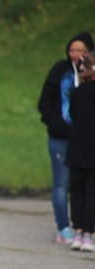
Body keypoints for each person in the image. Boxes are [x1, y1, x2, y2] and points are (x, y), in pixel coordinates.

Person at [38, 32, 94, 244]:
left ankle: (86, 229)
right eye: (72, 50)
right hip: (61, 137)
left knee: (86, 185)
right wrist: (57, 125)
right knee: (63, 183)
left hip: (87, 140)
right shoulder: (60, 72)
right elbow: (45, 103)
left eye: (80, 50)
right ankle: (66, 227)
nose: (75, 54)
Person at [66, 51, 95, 252]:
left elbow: (72, 114)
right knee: (91, 192)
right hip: (91, 150)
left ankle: (78, 230)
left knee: (77, 191)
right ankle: (88, 233)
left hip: (77, 149)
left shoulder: (77, 93)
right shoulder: (78, 92)